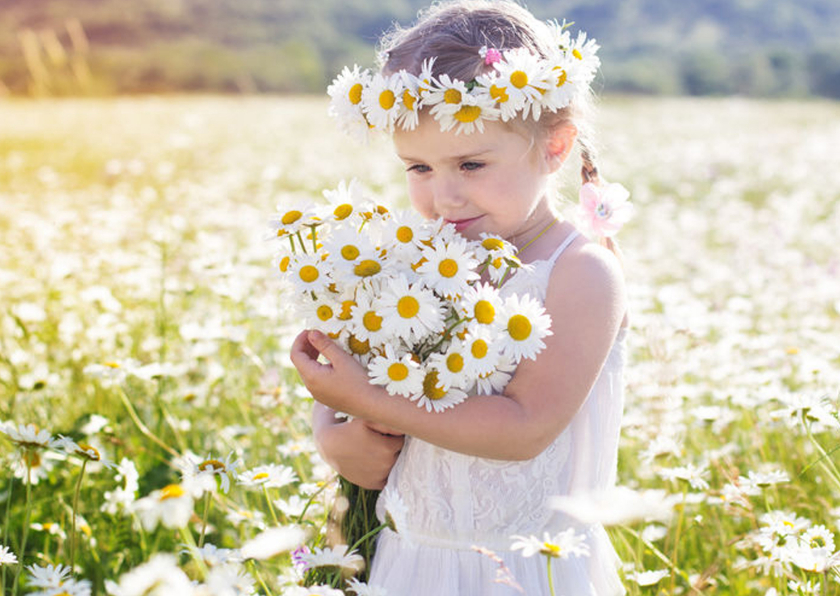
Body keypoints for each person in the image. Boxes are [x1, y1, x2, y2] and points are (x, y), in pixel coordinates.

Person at [290, 1, 629, 593]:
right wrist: (332, 432)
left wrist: (370, 399)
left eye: (471, 164)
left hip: (526, 568)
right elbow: (358, 374)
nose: (444, 196)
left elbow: (525, 428)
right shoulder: (419, 259)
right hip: (409, 560)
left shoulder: (581, 273)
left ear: (554, 147)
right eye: (418, 167)